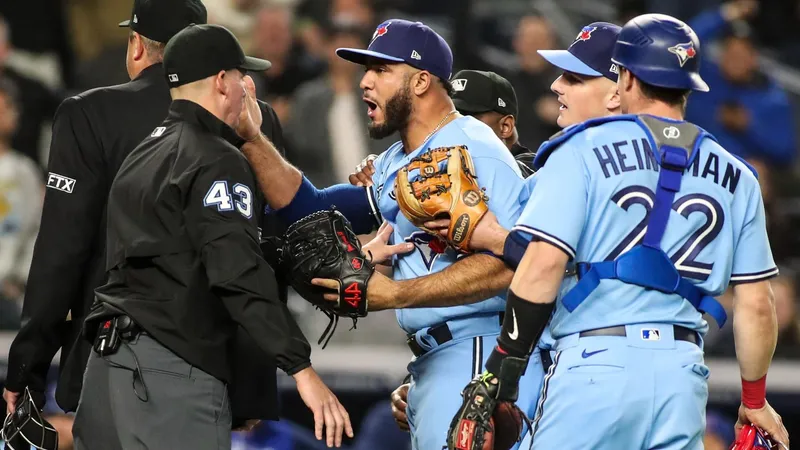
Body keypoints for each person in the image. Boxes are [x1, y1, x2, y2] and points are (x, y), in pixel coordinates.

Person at [452, 13, 789, 449]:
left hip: (596, 364)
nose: (558, 85)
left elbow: (541, 267)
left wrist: (502, 366)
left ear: (625, 79)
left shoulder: (582, 147)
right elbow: (758, 305)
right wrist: (754, 399)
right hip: (682, 376)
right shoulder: (738, 174)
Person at [232, 19, 543, 450]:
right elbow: (313, 209)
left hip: (479, 349)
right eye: (366, 70)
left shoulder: (474, 146)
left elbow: (518, 267)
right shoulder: (401, 158)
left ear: (420, 81)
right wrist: (251, 138)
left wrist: (396, 294)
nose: (364, 82)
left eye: (380, 70)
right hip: (438, 356)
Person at [2, 0, 291, 429]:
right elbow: (265, 249)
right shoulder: (252, 116)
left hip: (114, 358)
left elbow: (62, 250)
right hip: (216, 367)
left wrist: (28, 367)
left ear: (137, 45)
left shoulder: (90, 113)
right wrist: (252, 382)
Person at [70, 24, 353, 450]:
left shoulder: (143, 153)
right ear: (222, 82)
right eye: (242, 75)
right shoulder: (217, 159)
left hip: (107, 369)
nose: (248, 86)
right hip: (168, 374)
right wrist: (301, 368)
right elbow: (236, 271)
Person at [386, 21, 622, 433]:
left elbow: (539, 266)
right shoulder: (683, 161)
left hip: (584, 363)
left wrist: (494, 237)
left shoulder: (567, 163)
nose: (556, 86)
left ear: (621, 88)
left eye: (574, 77)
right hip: (660, 362)